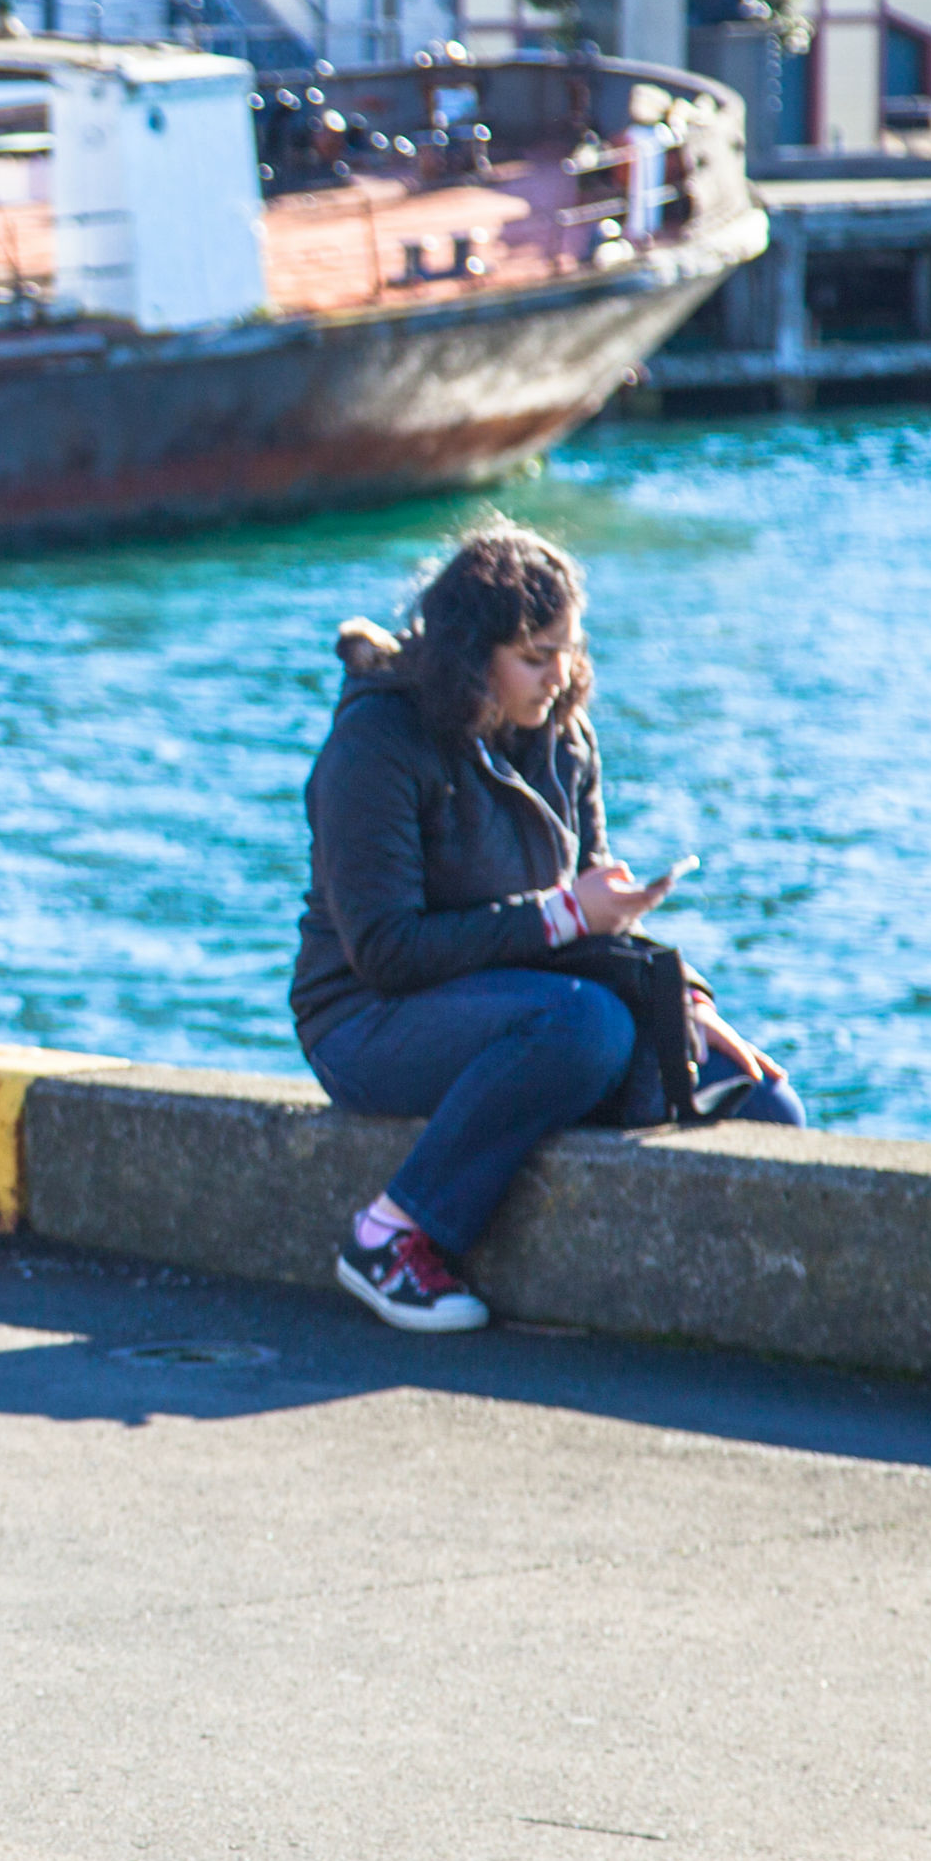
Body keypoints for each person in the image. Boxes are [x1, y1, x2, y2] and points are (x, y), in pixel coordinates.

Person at [291, 524, 800, 1334]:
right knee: (586, 1027)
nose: (560, 675)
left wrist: (685, 999)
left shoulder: (564, 738)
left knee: (765, 1103)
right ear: (469, 653)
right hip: (365, 1020)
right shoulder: (376, 743)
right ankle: (391, 1235)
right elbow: (386, 951)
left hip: (522, 1007)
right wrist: (564, 914)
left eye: (568, 648)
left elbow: (598, 910)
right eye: (535, 655)